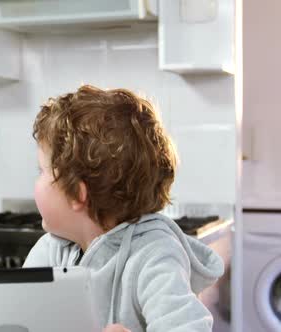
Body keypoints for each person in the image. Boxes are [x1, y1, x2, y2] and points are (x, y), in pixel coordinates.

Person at [23, 85, 224, 331]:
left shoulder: (153, 254)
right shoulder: (51, 250)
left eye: (41, 171)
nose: (35, 180)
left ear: (77, 193)